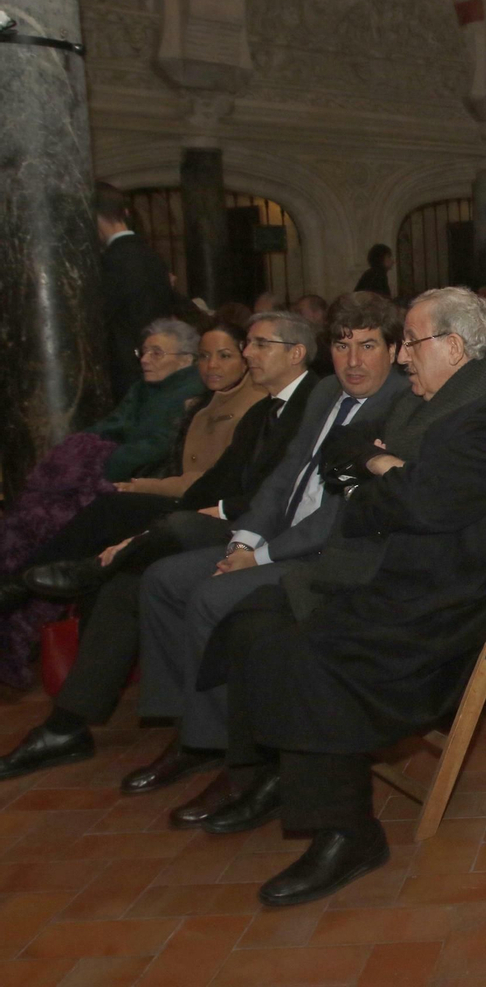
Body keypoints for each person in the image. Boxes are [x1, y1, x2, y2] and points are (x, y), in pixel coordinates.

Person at [196, 288, 486, 906]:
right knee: (252, 617)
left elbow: (417, 503)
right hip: (389, 568)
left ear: (452, 347)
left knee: (306, 648)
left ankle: (349, 832)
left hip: (437, 600)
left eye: (411, 341)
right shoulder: (432, 394)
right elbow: (345, 450)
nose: (403, 356)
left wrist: (381, 473)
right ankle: (273, 770)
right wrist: (385, 468)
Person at [113, 294, 410, 822]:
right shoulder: (323, 392)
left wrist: (265, 556)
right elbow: (284, 476)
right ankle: (192, 733)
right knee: (161, 580)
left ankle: (239, 763)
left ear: (393, 350)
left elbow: (345, 512)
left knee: (210, 597)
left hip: (327, 555)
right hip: (276, 539)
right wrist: (244, 541)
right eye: (343, 346)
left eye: (368, 346)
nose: (354, 361)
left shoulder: (402, 406)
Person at [0, 310, 325, 778]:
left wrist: (190, 518)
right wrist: (157, 521)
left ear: (296, 353)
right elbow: (209, 483)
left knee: (168, 532)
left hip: (267, 534)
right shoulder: (262, 411)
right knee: (124, 584)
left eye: (258, 345)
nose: (247, 354)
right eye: (248, 344)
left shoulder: (318, 401)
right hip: (225, 519)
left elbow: (282, 495)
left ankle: (84, 570)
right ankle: (66, 726)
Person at [88, 320, 207, 484]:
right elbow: (115, 423)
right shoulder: (142, 388)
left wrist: (103, 463)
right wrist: (79, 445)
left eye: (156, 353)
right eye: (143, 352)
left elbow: (162, 445)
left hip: (158, 480)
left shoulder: (193, 393)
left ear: (185, 360)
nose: (144, 359)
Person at [95, 182, 180, 399]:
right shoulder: (151, 256)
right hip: (156, 362)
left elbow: (100, 319)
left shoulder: (112, 262)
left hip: (125, 372)